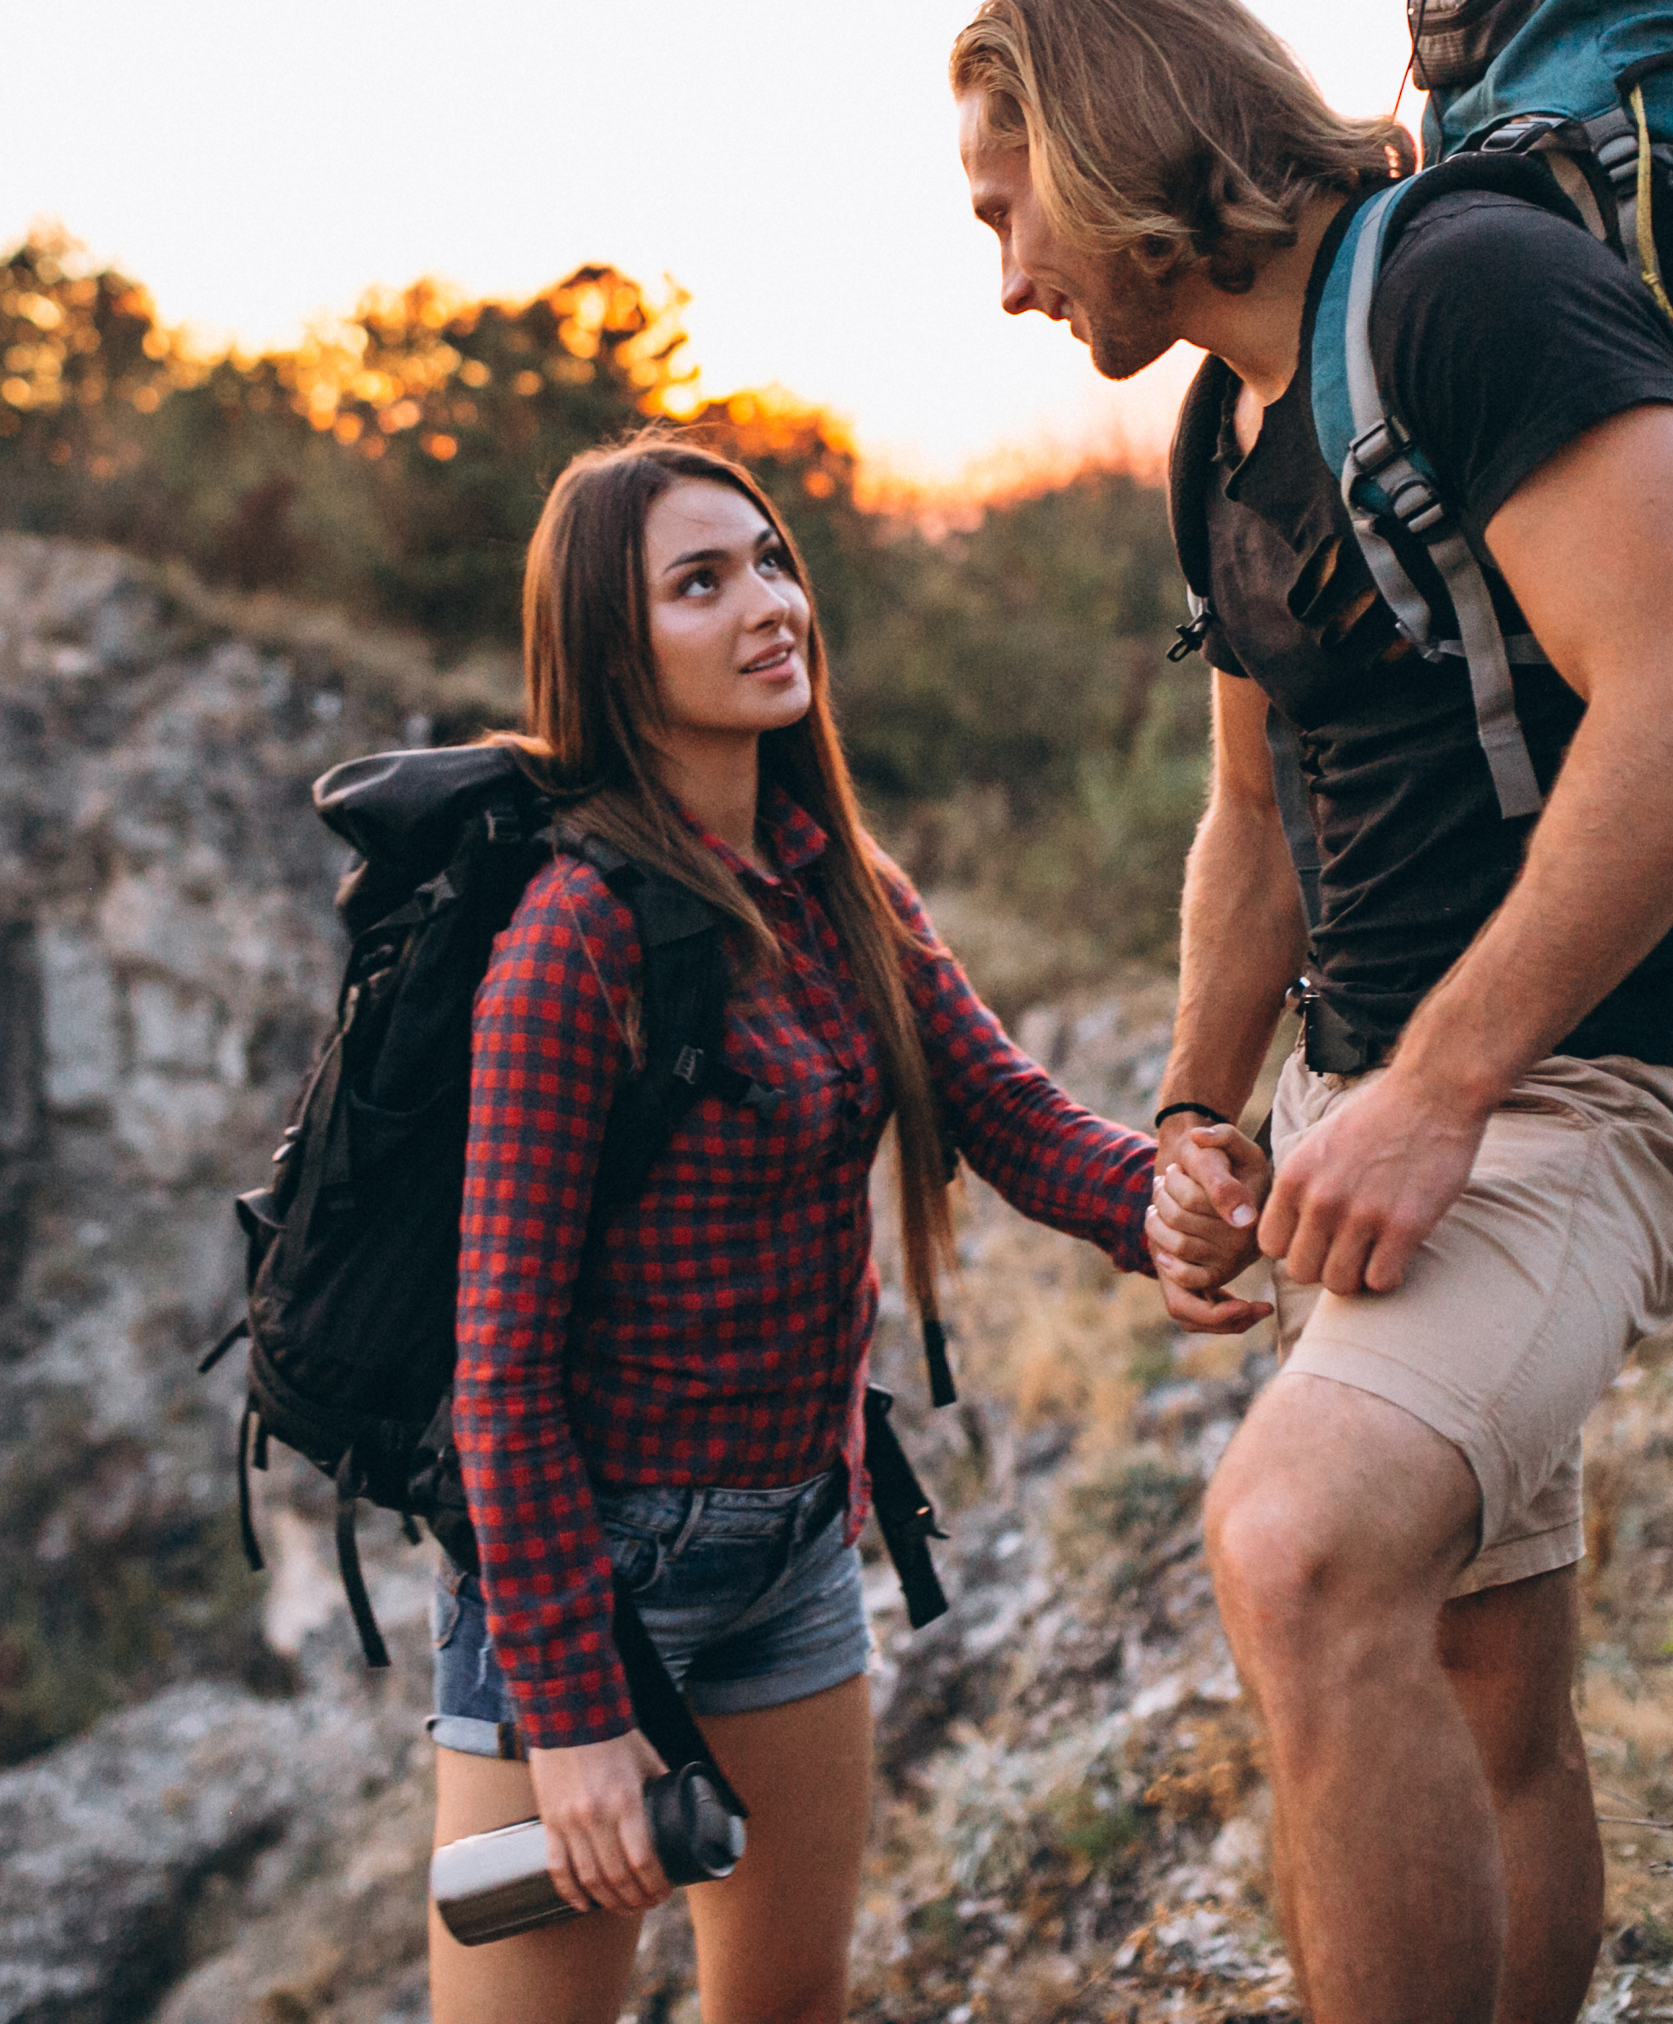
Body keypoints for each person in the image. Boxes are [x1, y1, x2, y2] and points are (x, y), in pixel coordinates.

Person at [952, 0, 1673, 2024]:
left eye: (1004, 211)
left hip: (1595, 1095)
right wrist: (1198, 1116)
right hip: (1385, 1106)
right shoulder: (1228, 421)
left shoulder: (1467, 293)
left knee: (1300, 1549)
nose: (1006, 280)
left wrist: (1429, 1094)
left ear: (1104, 148)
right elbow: (1255, 820)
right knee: (1475, 1692)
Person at [430, 438, 1260, 2023]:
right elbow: (499, 1368)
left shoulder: (837, 882)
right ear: (615, 652)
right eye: (701, 582)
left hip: (796, 1545)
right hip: (588, 1570)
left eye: (769, 561)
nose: (769, 604)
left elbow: (1007, 1111)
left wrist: (1162, 1206)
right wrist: (575, 1709)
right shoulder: (569, 945)